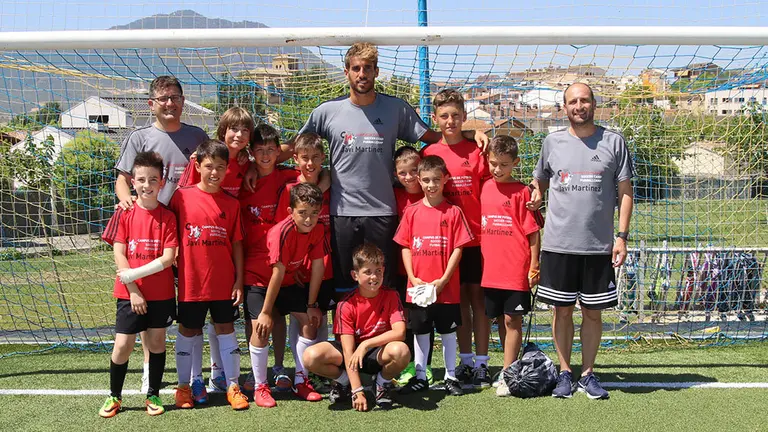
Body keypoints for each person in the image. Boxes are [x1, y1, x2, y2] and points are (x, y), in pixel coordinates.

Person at [251, 42, 488, 299]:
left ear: (376, 71)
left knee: (381, 288)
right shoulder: (327, 111)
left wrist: (468, 133)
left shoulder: (395, 109)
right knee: (346, 289)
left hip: (382, 212)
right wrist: (256, 164)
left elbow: (432, 136)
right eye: (356, 68)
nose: (361, 74)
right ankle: (348, 339)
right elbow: (294, 146)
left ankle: (386, 339)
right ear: (346, 72)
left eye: (367, 68)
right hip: (342, 213)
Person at [529, 82, 634, 400]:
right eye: (573, 101)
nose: (579, 106)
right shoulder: (552, 141)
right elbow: (540, 180)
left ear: (594, 104)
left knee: (592, 313)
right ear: (565, 107)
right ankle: (564, 372)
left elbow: (625, 192)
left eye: (584, 100)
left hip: (597, 245)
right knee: (561, 312)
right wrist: (536, 194)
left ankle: (588, 374)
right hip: (558, 244)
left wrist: (622, 237)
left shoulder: (614, 141)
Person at [113, 75, 208, 392]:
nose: (170, 103)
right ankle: (147, 366)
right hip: (153, 233)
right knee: (148, 300)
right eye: (163, 98)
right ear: (151, 103)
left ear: (183, 101)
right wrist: (125, 198)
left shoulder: (198, 136)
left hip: (192, 234)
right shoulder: (140, 137)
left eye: (175, 97)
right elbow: (123, 180)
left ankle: (194, 372)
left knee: (190, 302)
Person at [176, 106, 254, 395]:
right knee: (190, 330)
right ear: (197, 165)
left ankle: (227, 381)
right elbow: (175, 225)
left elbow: (236, 243)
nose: (216, 172)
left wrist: (237, 279)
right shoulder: (182, 196)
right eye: (210, 166)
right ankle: (190, 383)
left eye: (221, 168)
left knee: (224, 327)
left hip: (223, 273)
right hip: (192, 276)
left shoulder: (244, 172)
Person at [421, 89, 492, 387]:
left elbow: (491, 189)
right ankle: (464, 361)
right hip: (444, 245)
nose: (450, 121)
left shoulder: (478, 150)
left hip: (476, 239)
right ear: (435, 120)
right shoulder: (429, 154)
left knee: (480, 303)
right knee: (458, 302)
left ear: (464, 118)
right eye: (444, 116)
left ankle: (483, 363)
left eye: (455, 116)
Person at [99, 151, 178, 417]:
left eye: (153, 179)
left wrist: (135, 277)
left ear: (162, 182)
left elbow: (168, 259)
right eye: (141, 179)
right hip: (129, 293)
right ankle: (114, 396)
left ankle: (153, 394)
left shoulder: (168, 217)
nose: (147, 185)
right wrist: (133, 289)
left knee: (157, 343)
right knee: (123, 345)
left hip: (161, 293)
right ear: (133, 182)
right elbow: (119, 254)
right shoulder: (125, 214)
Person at [393, 155, 474, 396]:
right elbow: (405, 245)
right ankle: (420, 376)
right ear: (419, 180)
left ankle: (450, 377)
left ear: (445, 179)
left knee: (448, 332)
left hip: (445, 288)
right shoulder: (412, 212)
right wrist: (412, 277)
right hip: (418, 287)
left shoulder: (453, 212)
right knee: (420, 331)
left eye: (436, 180)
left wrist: (445, 279)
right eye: (426, 180)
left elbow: (458, 248)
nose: (431, 185)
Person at [246, 183, 328, 408]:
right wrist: (265, 312)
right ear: (290, 212)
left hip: (288, 280)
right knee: (262, 328)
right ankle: (260, 386)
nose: (309, 219)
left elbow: (318, 266)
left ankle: (301, 381)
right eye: (303, 213)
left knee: (310, 322)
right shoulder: (281, 231)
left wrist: (311, 304)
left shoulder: (319, 228)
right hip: (259, 280)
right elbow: (276, 273)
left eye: (314, 213)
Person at [303, 243, 409, 411]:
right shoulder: (345, 304)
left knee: (401, 351)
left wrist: (366, 345)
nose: (374, 277)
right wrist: (357, 390)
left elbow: (400, 332)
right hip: (351, 354)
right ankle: (344, 382)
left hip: (375, 352)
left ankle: (381, 384)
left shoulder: (391, 295)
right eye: (367, 272)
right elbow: (348, 351)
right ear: (355, 275)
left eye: (378, 271)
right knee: (310, 356)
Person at [238, 123, 300, 394]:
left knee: (277, 316)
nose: (265, 156)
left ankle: (278, 367)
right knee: (256, 321)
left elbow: (322, 175)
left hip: (281, 264)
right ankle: (256, 373)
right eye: (260, 150)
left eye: (271, 151)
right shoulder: (243, 181)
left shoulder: (290, 177)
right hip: (252, 265)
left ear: (278, 153)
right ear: (251, 152)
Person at [479, 135, 542, 396]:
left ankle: (508, 373)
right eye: (493, 163)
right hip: (489, 269)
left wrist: (534, 264)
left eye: (504, 164)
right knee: (498, 320)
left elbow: (533, 232)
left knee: (512, 319)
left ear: (515, 163)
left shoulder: (523, 192)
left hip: (516, 268)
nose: (497, 169)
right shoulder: (483, 187)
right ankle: (509, 366)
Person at [274, 132, 334, 388]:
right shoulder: (289, 190)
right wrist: (292, 265)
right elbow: (282, 230)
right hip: (299, 272)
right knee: (300, 321)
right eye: (305, 158)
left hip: (326, 268)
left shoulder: (333, 183)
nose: (310, 163)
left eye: (315, 158)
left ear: (323, 159)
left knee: (320, 319)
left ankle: (316, 369)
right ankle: (301, 373)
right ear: (296, 159)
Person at [390, 146, 433, 386]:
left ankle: (423, 367)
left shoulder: (431, 194)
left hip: (425, 269)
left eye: (413, 171)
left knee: (423, 319)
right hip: (399, 267)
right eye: (402, 173)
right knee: (403, 318)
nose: (408, 177)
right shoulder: (393, 194)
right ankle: (404, 364)